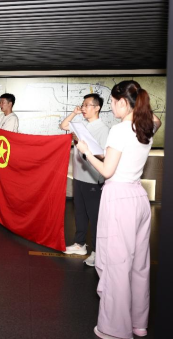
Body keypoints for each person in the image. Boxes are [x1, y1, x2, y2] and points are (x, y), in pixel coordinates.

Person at [75, 80, 161, 339]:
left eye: (113, 102)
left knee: (116, 266)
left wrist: (86, 152)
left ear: (124, 102)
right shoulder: (146, 127)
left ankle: (114, 329)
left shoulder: (120, 130)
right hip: (138, 197)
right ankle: (138, 324)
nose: (111, 107)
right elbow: (155, 119)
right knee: (139, 265)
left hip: (118, 199)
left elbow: (107, 171)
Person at [60, 94, 110, 267]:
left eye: (87, 105)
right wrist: (74, 113)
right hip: (79, 177)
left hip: (92, 179)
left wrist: (86, 150)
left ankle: (97, 252)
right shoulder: (83, 125)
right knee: (80, 213)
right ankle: (79, 244)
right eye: (82, 105)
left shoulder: (103, 129)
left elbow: (104, 155)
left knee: (95, 218)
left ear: (97, 108)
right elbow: (64, 125)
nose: (83, 108)